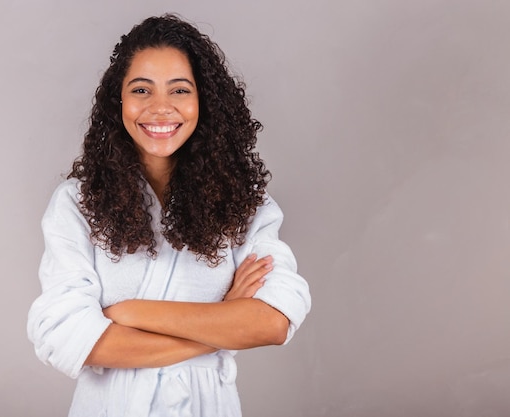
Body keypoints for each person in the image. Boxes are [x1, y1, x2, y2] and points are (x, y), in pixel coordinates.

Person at [27, 14, 311, 417]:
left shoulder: (245, 205)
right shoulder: (77, 203)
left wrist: (131, 313)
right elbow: (65, 336)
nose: (160, 108)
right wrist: (221, 321)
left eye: (180, 90)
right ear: (118, 102)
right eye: (141, 89)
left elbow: (275, 319)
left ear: (203, 102)